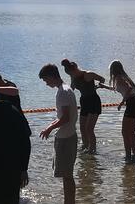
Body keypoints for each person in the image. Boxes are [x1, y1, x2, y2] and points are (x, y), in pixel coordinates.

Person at [38, 63, 78, 204]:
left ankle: (69, 202)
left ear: (51, 76)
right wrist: (50, 126)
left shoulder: (62, 92)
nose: (46, 83)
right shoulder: (65, 89)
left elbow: (65, 118)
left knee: (67, 176)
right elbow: (62, 116)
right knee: (67, 175)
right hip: (69, 135)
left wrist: (49, 129)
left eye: (45, 80)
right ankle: (69, 201)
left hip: (66, 138)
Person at [99, 60, 135, 163]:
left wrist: (122, 102)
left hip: (132, 102)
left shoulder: (119, 78)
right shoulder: (124, 77)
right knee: (131, 132)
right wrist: (104, 86)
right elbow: (119, 88)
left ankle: (128, 156)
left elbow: (129, 88)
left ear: (113, 70)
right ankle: (134, 154)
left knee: (125, 132)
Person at [62, 59, 105, 155]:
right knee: (82, 127)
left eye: (70, 74)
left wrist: (98, 85)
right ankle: (85, 146)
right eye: (69, 75)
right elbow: (71, 90)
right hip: (84, 102)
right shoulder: (73, 77)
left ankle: (92, 151)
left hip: (94, 101)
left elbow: (102, 79)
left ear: (75, 70)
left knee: (89, 128)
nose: (70, 76)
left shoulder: (88, 74)